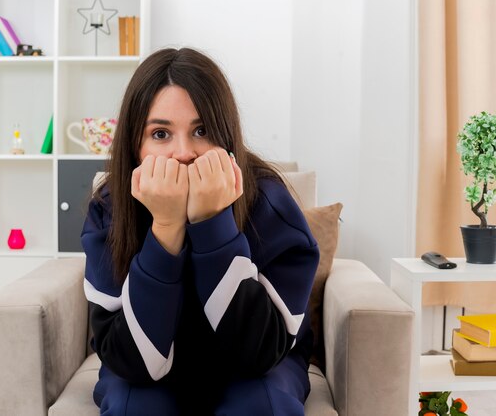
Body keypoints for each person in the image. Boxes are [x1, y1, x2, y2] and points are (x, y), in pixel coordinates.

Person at [81, 47, 320, 416]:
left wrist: (212, 225)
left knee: (261, 405)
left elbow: (261, 355)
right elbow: (131, 362)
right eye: (160, 133)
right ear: (136, 145)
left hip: (256, 368)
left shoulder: (270, 202)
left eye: (202, 130)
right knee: (135, 407)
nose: (184, 153)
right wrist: (165, 229)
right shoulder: (109, 210)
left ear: (226, 137)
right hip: (145, 369)